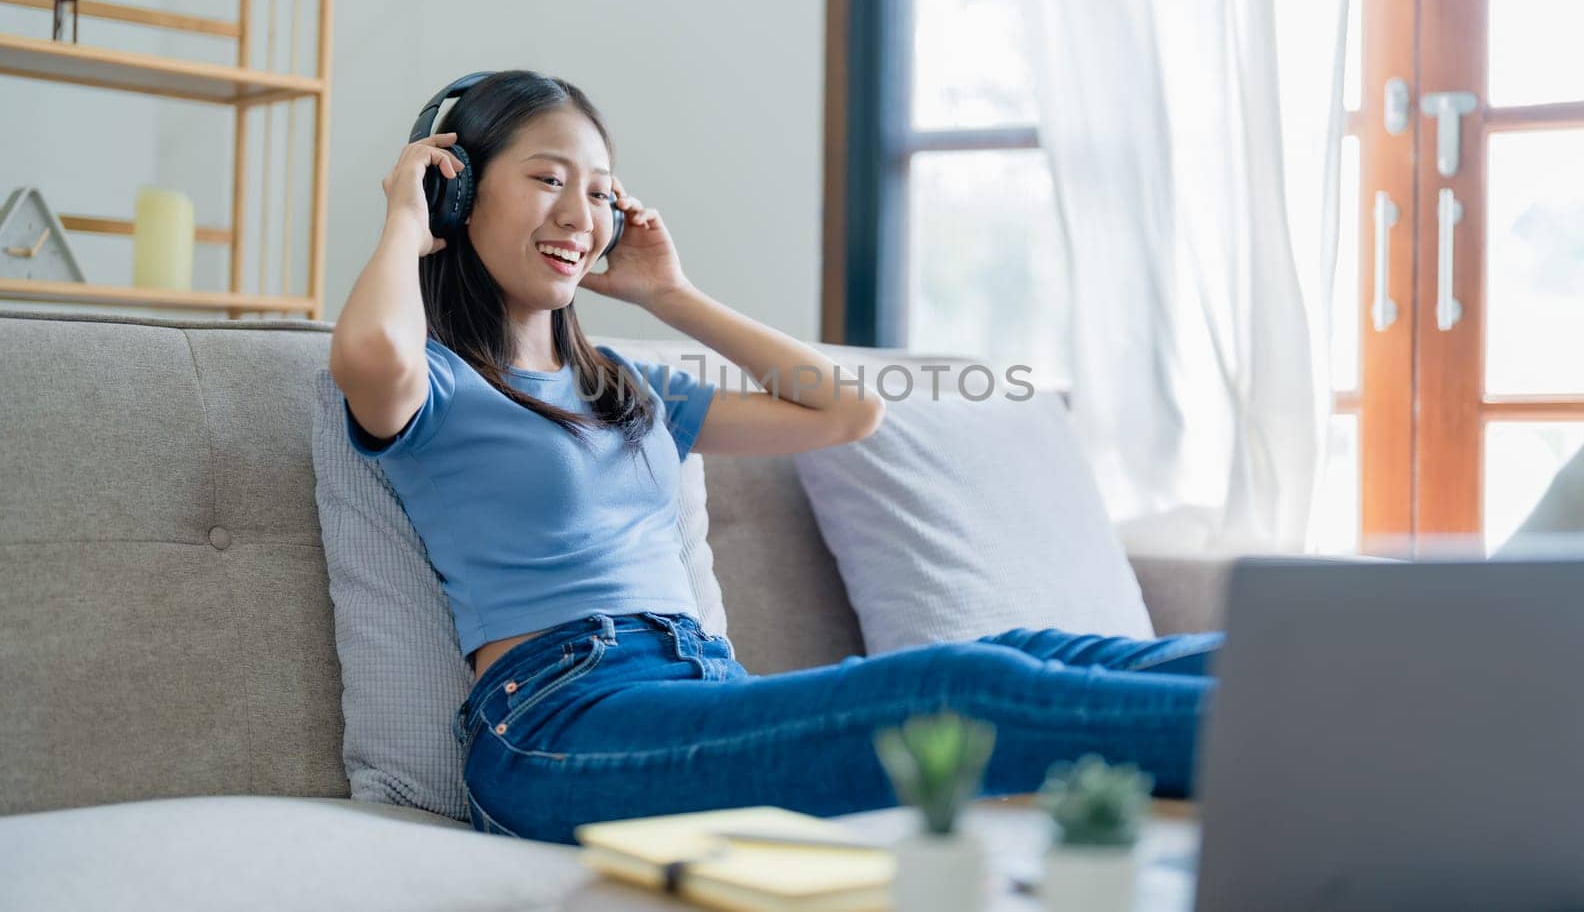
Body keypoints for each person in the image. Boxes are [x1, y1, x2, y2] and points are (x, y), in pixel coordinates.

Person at [330, 69, 1222, 844]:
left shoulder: (626, 386)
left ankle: (1332, 672)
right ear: (460, 190)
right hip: (557, 724)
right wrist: (407, 222)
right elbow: (369, 356)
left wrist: (671, 295)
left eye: (600, 191)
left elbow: (847, 410)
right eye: (546, 179)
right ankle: (1314, 741)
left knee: (1044, 651)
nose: (581, 213)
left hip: (698, 684)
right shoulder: (436, 383)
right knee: (961, 692)